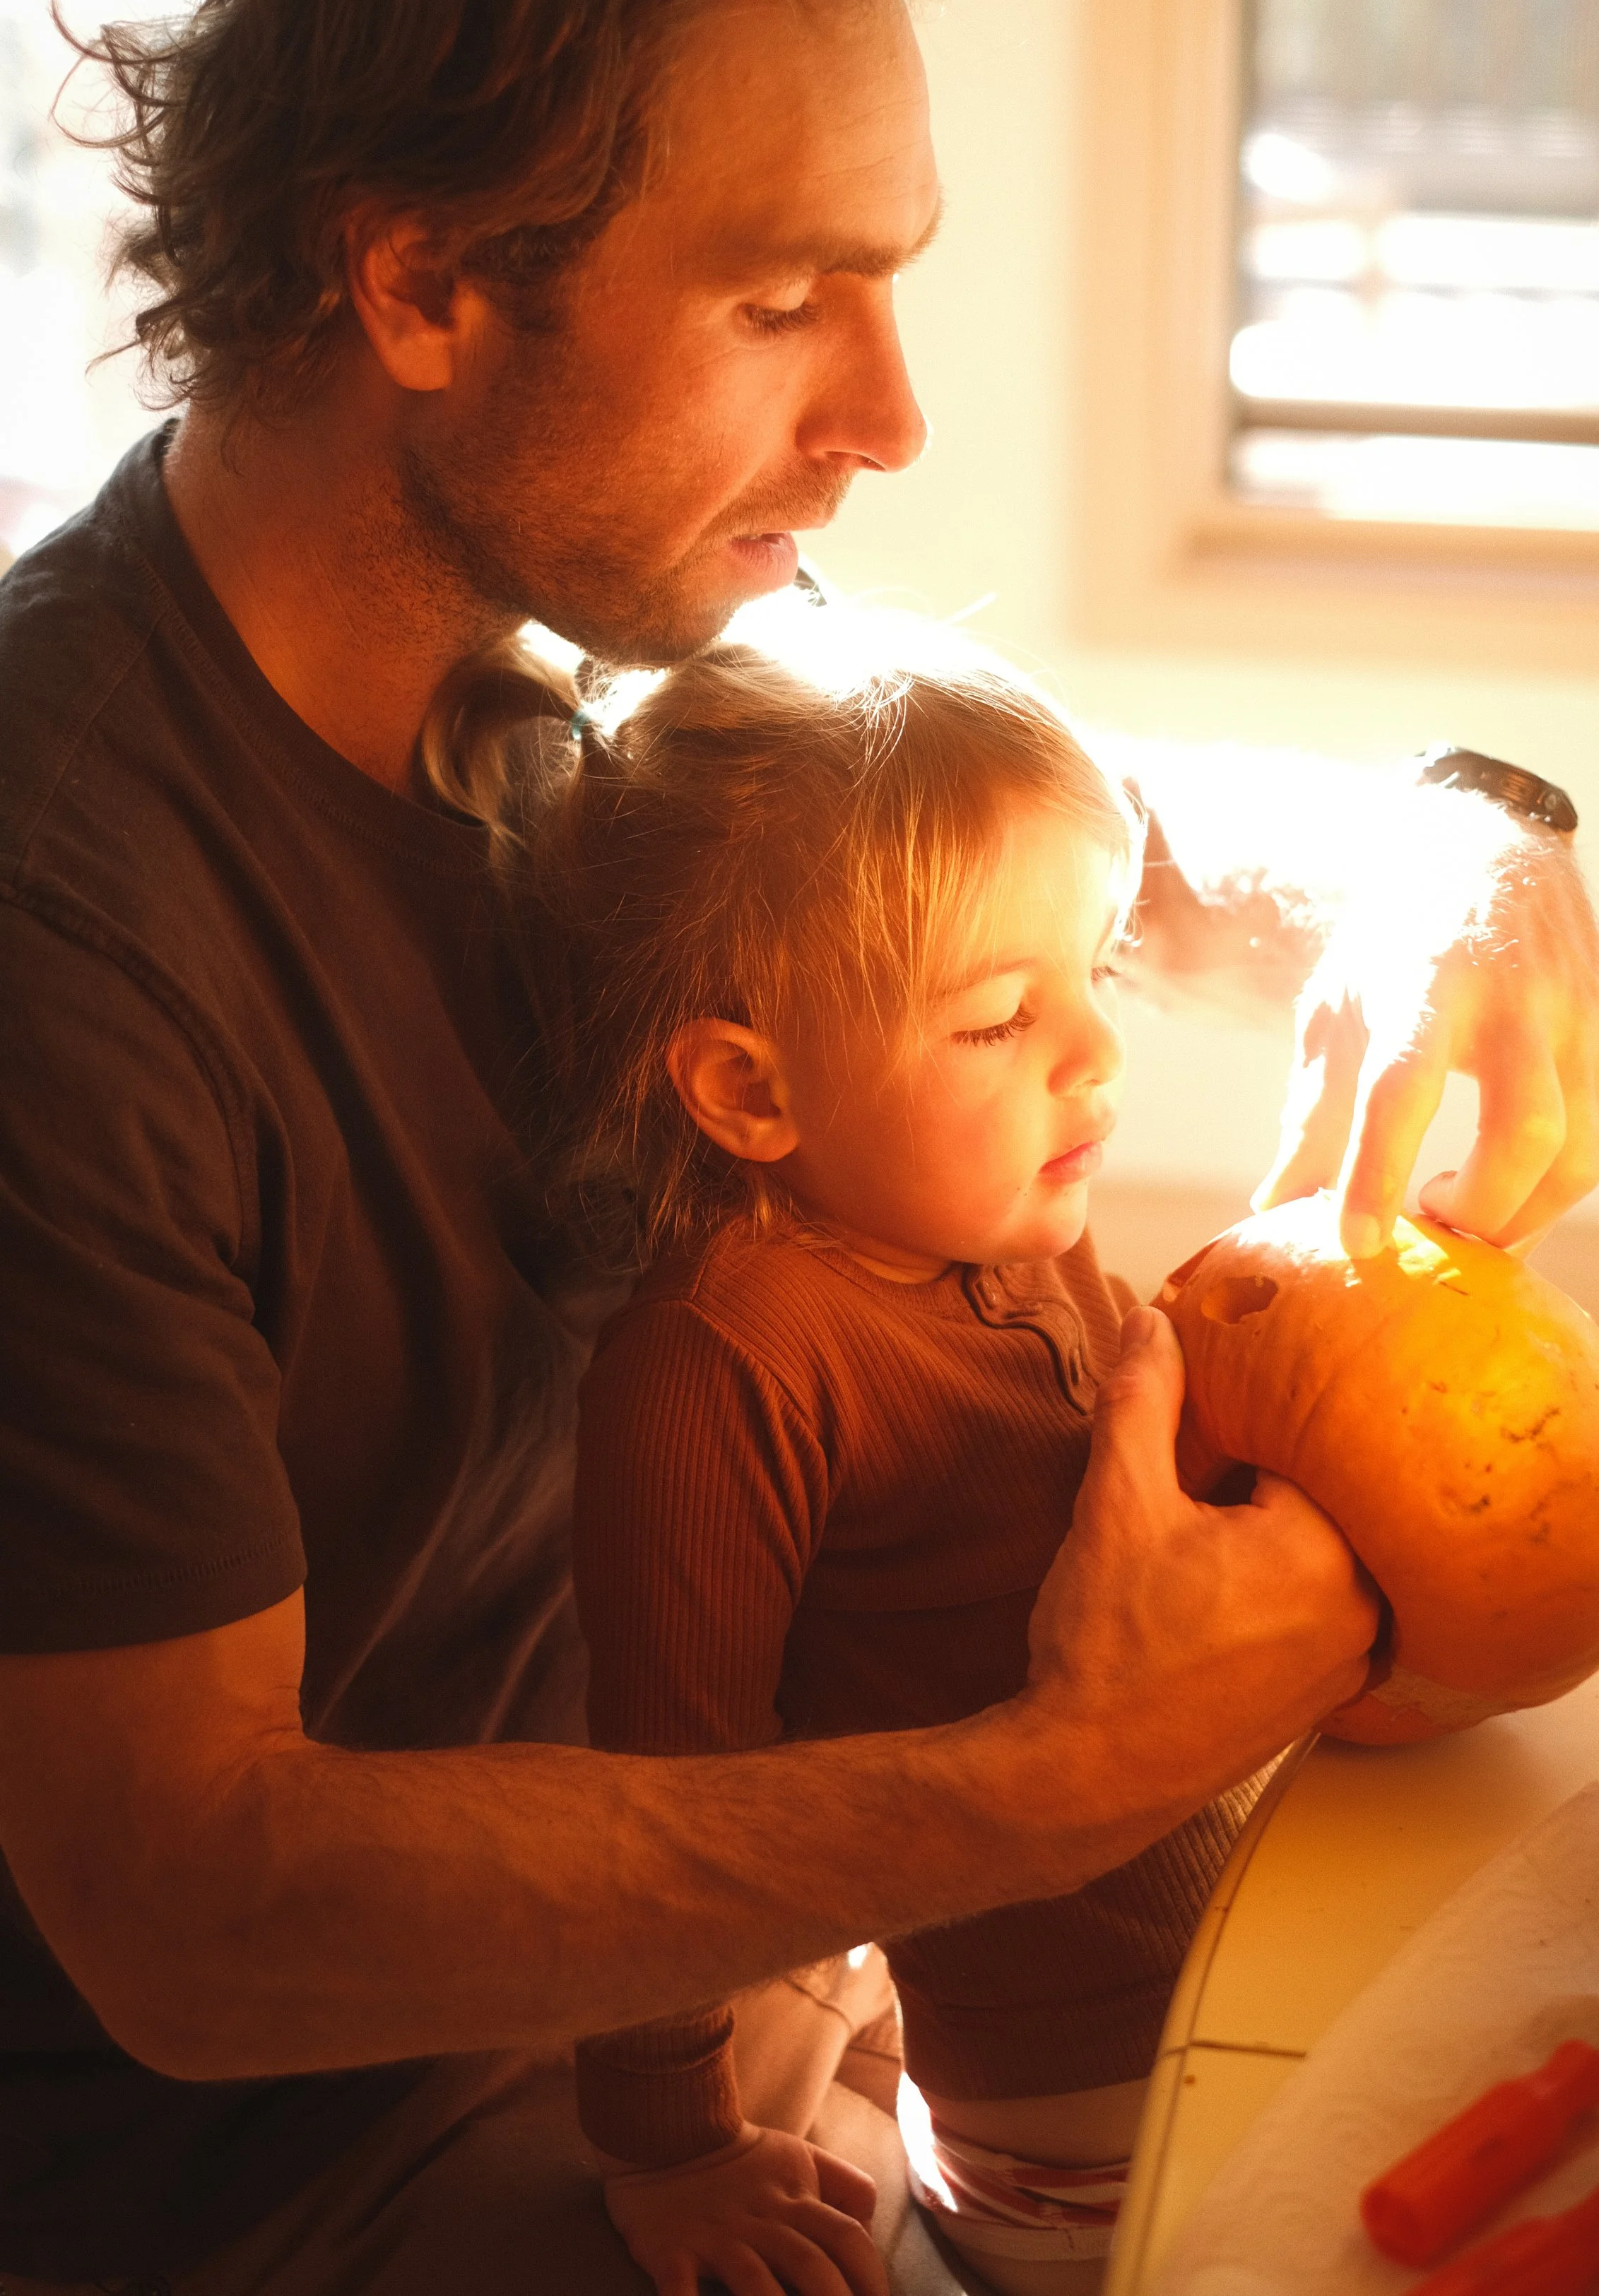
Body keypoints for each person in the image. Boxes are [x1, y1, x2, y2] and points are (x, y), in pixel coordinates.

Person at [0, 0, 1599, 2292]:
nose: (887, 410)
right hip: (298, 2178)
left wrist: (1448, 844)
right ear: (420, 280)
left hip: (698, 1976)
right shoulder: (67, 933)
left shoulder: (561, 668)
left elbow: (1040, 845)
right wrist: (1043, 1780)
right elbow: (194, 1907)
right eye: (786, 301)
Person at [494, 610, 1280, 2296]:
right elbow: (668, 1814)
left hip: (1230, 1945)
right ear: (748, 1090)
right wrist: (672, 2147)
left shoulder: (1002, 1224)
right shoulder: (725, 1366)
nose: (1093, 1053)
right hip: (1080, 2109)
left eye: (1097, 972)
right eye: (999, 1019)